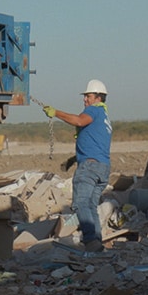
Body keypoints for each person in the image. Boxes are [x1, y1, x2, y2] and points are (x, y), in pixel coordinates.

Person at [43, 79, 112, 253]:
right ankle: (96, 242)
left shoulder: (94, 110)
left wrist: (55, 112)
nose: (85, 100)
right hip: (102, 168)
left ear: (98, 97)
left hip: (90, 167)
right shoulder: (104, 117)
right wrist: (74, 158)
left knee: (81, 204)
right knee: (90, 206)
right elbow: (95, 143)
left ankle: (90, 241)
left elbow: (79, 121)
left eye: (87, 96)